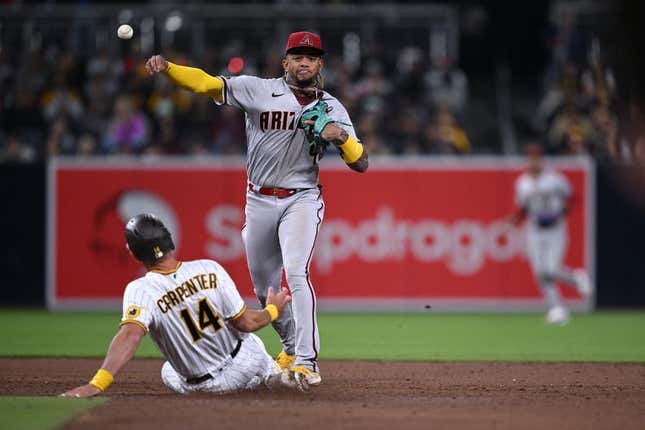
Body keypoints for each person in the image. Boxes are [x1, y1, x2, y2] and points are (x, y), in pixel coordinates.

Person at [144, 31, 368, 388]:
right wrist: (169, 68)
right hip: (259, 199)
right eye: (297, 56)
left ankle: (308, 361)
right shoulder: (258, 89)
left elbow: (361, 163)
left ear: (319, 64)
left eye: (311, 57)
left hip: (302, 197)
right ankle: (292, 349)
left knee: (297, 273)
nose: (304, 62)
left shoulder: (331, 107)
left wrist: (342, 139)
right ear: (286, 63)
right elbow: (206, 85)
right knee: (265, 290)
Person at [60, 213, 293, 397]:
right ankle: (273, 375)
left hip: (208, 388)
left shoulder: (140, 290)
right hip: (246, 361)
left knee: (168, 371)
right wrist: (272, 310)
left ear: (133, 253)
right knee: (247, 339)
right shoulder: (209, 268)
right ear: (169, 241)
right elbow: (247, 323)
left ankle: (262, 379)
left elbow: (130, 336)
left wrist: (97, 384)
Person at [509, 144, 591, 324]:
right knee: (540, 272)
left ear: (541, 160)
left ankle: (576, 278)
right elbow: (524, 208)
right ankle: (556, 308)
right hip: (535, 231)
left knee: (553, 269)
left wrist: (562, 212)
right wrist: (516, 219)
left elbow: (571, 197)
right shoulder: (522, 182)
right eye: (530, 158)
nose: (533, 162)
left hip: (555, 229)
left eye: (536, 158)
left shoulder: (554, 179)